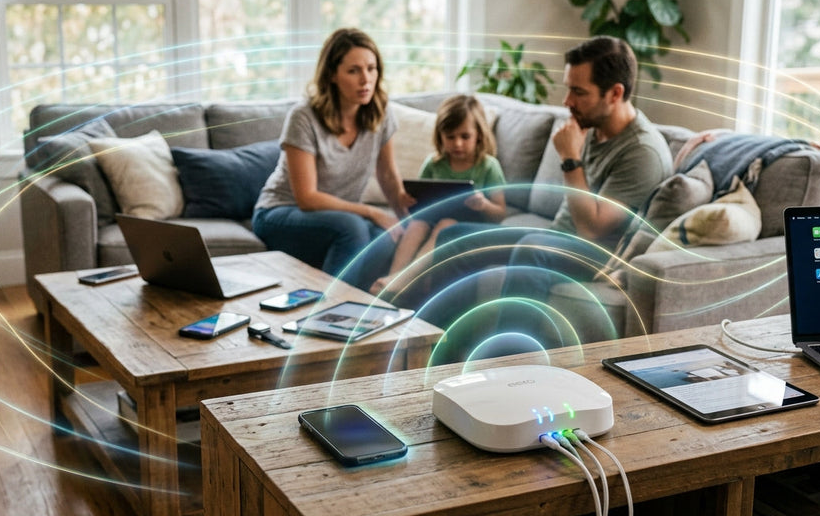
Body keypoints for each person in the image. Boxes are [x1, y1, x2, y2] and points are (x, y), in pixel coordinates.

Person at [427, 36, 673, 352]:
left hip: (596, 251)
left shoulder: (641, 152)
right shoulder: (592, 127)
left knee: (532, 248)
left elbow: (591, 230)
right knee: (456, 237)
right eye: (568, 88)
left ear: (615, 93)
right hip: (557, 237)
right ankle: (438, 349)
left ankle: (504, 366)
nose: (567, 101)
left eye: (578, 92)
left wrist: (570, 160)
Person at [252, 28, 413, 291]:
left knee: (384, 238)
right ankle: (324, 315)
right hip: (279, 213)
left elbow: (387, 176)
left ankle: (356, 311)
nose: (366, 79)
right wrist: (373, 212)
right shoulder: (304, 117)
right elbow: (307, 198)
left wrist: (408, 220)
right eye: (354, 71)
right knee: (352, 227)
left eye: (371, 69)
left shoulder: (380, 113)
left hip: (335, 219)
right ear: (332, 76)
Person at [370, 94, 506, 296]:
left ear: (479, 134)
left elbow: (500, 213)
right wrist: (407, 200)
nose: (457, 144)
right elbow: (419, 203)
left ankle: (405, 281)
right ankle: (393, 279)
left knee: (445, 226)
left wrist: (483, 204)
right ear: (440, 136)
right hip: (434, 218)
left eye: (464, 137)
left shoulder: (488, 166)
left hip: (468, 224)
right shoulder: (434, 164)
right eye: (450, 137)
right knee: (417, 225)